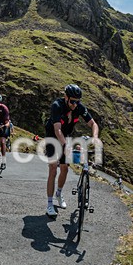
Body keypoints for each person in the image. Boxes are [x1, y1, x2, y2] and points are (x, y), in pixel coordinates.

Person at [44, 84, 99, 217]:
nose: (75, 104)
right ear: (66, 97)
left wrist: (95, 138)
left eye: (77, 101)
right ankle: (49, 204)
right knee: (53, 168)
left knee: (65, 168)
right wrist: (65, 146)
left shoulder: (79, 107)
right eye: (72, 101)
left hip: (66, 136)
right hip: (53, 136)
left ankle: (59, 193)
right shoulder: (57, 106)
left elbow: (93, 124)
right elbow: (57, 130)